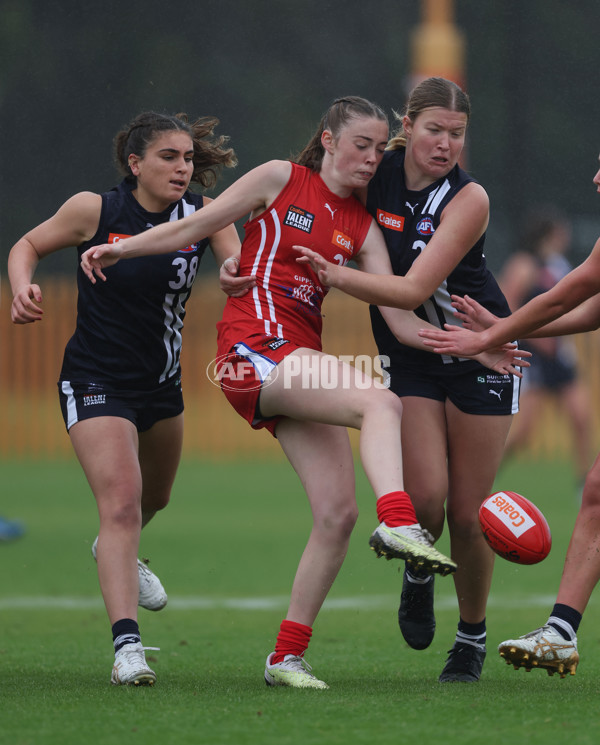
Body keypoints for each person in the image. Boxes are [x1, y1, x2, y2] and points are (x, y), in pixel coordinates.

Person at [78, 96, 525, 689]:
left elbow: (402, 321)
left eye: (376, 148)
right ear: (330, 141)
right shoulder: (282, 178)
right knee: (381, 402)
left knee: (338, 514)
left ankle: (286, 656)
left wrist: (481, 342)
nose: (370, 160)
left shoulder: (363, 228)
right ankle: (398, 519)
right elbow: (194, 225)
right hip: (250, 352)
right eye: (360, 146)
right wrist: (124, 246)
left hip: (293, 364)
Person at [293, 77, 521, 684]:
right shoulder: (378, 171)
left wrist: (335, 276)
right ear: (408, 125)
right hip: (411, 353)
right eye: (434, 130)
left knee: (471, 515)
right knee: (422, 500)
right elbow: (307, 192)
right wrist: (244, 255)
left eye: (457, 134)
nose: (446, 144)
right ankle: (418, 572)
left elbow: (417, 289)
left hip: (479, 351)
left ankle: (470, 639)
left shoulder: (469, 198)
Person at [8, 111, 242, 686]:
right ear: (135, 164)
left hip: (161, 385)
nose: (183, 168)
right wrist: (22, 286)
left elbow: (235, 263)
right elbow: (26, 245)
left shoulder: (203, 217)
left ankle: (117, 545)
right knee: (122, 501)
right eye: (169, 157)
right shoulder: (97, 210)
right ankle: (128, 649)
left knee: (152, 498)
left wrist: (238, 276)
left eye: (188, 158)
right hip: (94, 379)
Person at [416, 154, 600, 679]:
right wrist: (504, 327)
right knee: (597, 491)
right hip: (536, 362)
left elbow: (570, 295)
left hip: (515, 354)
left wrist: (490, 335)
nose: (595, 177)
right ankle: (562, 632)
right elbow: (583, 305)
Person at [498, 208, 592, 490]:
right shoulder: (525, 265)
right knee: (523, 431)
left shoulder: (561, 265)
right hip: (532, 355)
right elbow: (507, 306)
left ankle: (583, 486)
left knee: (581, 417)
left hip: (560, 357)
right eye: (561, 231)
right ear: (549, 233)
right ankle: (485, 473)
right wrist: (534, 337)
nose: (566, 236)